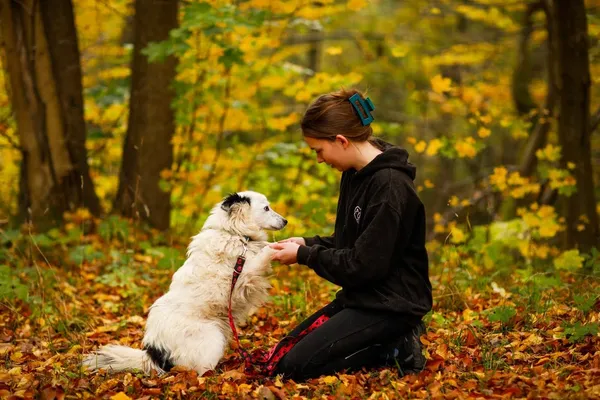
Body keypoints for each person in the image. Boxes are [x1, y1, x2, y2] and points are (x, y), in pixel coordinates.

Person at [269, 88, 432, 381]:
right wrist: (307, 243)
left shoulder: (390, 189)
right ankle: (383, 342)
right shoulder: (355, 174)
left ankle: (396, 346)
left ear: (341, 141)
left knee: (294, 368)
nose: (319, 159)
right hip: (364, 297)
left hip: (393, 305)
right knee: (281, 357)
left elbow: (363, 266)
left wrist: (305, 256)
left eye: (319, 150)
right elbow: (352, 244)